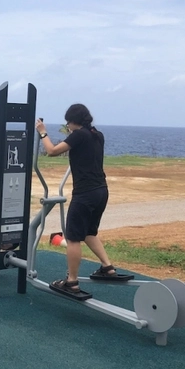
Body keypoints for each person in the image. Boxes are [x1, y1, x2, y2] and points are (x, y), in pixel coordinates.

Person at [35, 104, 131, 299]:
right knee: (88, 232)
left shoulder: (79, 134)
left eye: (68, 122)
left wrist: (43, 133)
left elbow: (52, 151)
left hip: (85, 193)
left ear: (73, 121)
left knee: (72, 237)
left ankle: (71, 282)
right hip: (101, 191)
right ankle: (108, 268)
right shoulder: (97, 135)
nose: (68, 126)